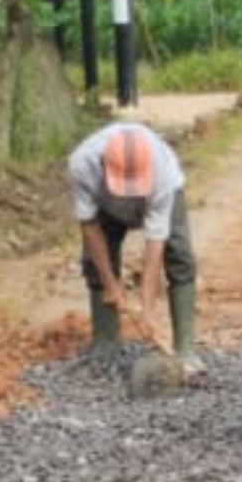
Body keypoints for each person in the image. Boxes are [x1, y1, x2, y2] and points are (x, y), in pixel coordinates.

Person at [66, 119, 202, 377]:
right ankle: (105, 343)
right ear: (104, 167)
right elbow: (90, 227)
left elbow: (155, 244)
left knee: (180, 256)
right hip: (104, 203)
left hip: (158, 192)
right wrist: (110, 284)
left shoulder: (162, 172)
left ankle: (185, 347)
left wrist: (147, 309)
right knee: (94, 263)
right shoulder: (82, 166)